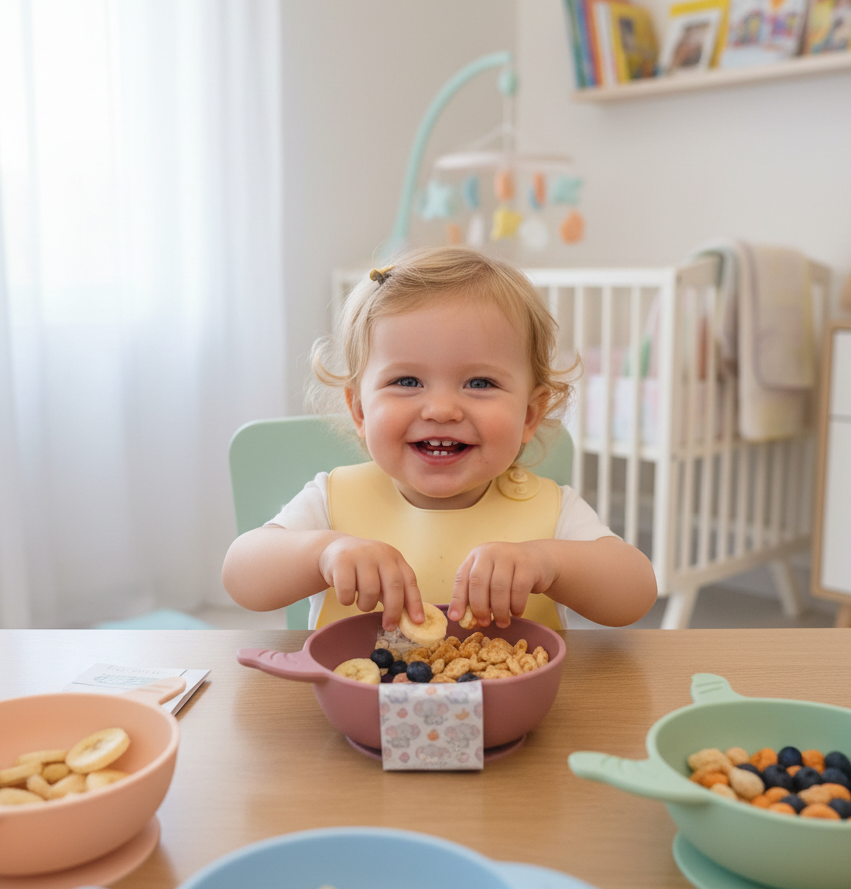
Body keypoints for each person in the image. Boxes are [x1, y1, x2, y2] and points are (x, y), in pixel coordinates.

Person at [222, 247, 657, 632]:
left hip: (511, 718)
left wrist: (549, 563)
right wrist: (323, 552)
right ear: (359, 409)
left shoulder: (551, 511)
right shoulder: (333, 500)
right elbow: (242, 576)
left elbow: (635, 594)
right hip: (359, 717)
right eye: (408, 380)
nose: (442, 409)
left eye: (480, 383)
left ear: (529, 415)